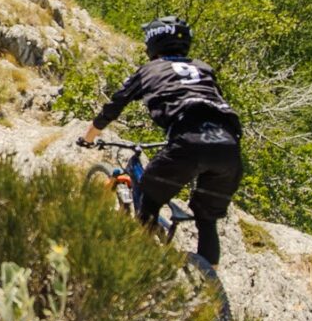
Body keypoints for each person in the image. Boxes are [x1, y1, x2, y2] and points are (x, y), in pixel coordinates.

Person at [78, 16, 242, 267]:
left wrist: (89, 136)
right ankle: (210, 287)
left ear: (153, 41)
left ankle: (140, 269)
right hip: (228, 146)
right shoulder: (204, 67)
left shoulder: (148, 70)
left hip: (187, 141)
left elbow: (114, 106)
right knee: (207, 218)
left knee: (148, 199)